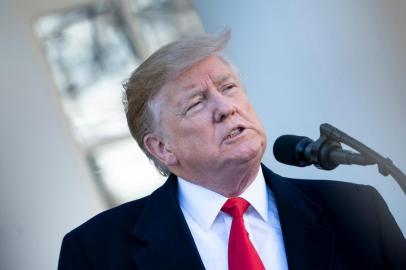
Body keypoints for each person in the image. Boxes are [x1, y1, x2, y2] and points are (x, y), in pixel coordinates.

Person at [58, 32, 406, 270]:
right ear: (162, 148)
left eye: (228, 87)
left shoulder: (356, 211)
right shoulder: (96, 252)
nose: (225, 107)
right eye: (196, 103)